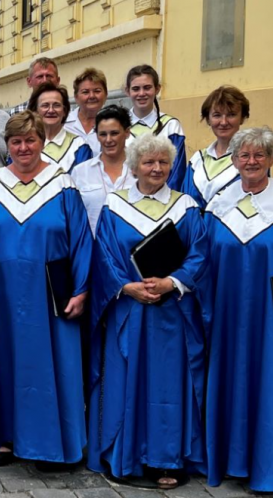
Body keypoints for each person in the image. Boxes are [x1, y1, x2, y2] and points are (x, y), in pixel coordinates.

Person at [0, 110, 92, 469]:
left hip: (48, 299)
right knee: (3, 364)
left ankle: (47, 445)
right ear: (8, 145)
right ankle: (4, 441)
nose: (23, 147)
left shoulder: (62, 186)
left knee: (46, 368)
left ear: (41, 142)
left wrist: (80, 290)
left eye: (30, 140)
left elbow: (80, 240)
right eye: (16, 141)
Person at [87, 133, 207, 490]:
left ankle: (165, 458)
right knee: (127, 382)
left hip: (173, 314)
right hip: (130, 312)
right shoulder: (115, 206)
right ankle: (126, 456)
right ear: (134, 165)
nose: (156, 169)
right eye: (148, 162)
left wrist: (174, 282)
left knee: (167, 387)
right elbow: (103, 256)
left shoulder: (186, 207)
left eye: (163, 163)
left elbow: (199, 254)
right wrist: (126, 286)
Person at [204, 127, 273, 493]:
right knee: (232, 379)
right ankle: (232, 459)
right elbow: (202, 263)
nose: (251, 162)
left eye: (259, 155)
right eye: (244, 156)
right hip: (228, 318)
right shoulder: (218, 205)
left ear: (271, 159)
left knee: (272, 384)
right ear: (233, 160)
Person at [71, 105, 136, 235]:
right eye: (102, 134)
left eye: (114, 133)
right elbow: (74, 216)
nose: (108, 140)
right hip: (94, 250)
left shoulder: (141, 170)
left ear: (127, 133)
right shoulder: (81, 172)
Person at [182, 86, 250, 209]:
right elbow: (185, 204)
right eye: (217, 115)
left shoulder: (252, 158)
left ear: (242, 118)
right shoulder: (197, 160)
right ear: (208, 119)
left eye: (231, 115)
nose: (223, 122)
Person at [125, 65, 186, 191]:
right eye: (136, 89)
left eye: (147, 88)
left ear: (157, 89)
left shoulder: (171, 125)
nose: (141, 93)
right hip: (125, 199)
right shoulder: (119, 127)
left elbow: (176, 171)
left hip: (161, 201)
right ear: (127, 91)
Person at [26, 82, 92, 173]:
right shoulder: (23, 145)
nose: (51, 110)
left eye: (56, 105)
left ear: (64, 111)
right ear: (35, 111)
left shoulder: (79, 146)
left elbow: (84, 182)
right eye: (45, 105)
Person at [63, 68, 108, 156]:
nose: (92, 96)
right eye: (85, 92)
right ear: (76, 97)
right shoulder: (63, 124)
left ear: (106, 94)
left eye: (97, 91)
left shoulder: (114, 124)